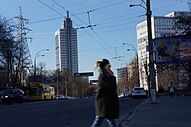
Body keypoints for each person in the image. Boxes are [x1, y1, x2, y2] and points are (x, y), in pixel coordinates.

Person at [91, 59, 119, 127]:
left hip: (105, 104)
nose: (110, 67)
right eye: (109, 66)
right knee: (113, 123)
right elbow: (112, 87)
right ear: (105, 66)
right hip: (105, 104)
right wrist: (112, 76)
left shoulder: (105, 75)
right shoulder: (103, 76)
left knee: (98, 122)